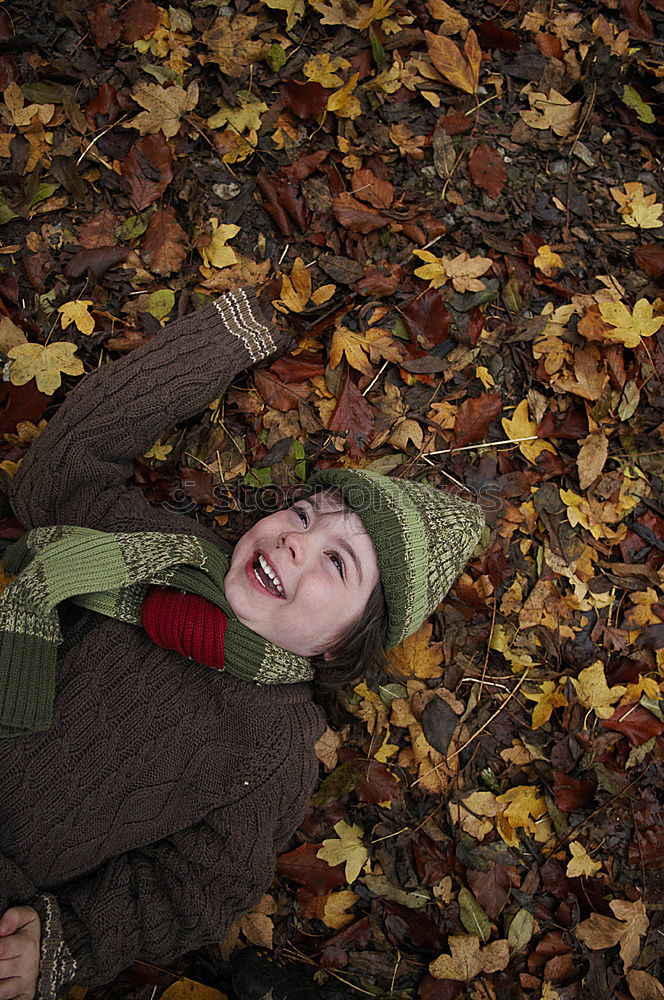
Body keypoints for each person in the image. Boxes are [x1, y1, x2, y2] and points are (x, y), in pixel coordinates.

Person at [0, 286, 484, 999]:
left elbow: (191, 889)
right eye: (301, 513)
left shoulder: (273, 750)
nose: (296, 540)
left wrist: (64, 942)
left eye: (336, 563)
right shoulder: (164, 552)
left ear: (340, 646)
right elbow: (64, 467)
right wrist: (225, 338)